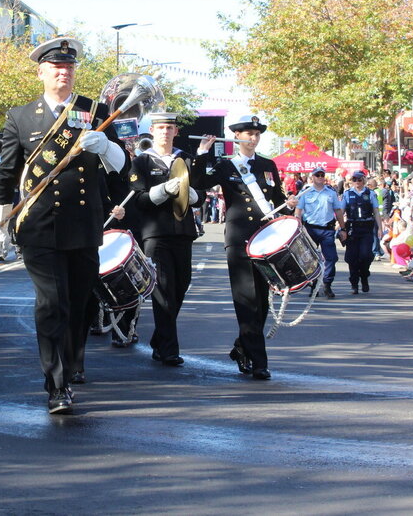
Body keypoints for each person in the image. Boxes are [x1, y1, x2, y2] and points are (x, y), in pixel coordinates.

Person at [0, 37, 126, 414]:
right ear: (41, 72)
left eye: (68, 67)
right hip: (39, 225)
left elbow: (121, 169)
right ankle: (56, 384)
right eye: (55, 67)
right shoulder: (20, 117)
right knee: (51, 304)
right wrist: (0, 221)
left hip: (83, 224)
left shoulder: (94, 112)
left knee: (79, 303)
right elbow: (7, 173)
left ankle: (73, 361)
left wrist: (106, 147)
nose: (63, 72)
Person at [192, 116, 289, 380]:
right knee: (246, 299)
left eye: (257, 134)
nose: (254, 138)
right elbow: (198, 182)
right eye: (248, 133)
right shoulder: (225, 166)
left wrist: (289, 208)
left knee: (262, 302)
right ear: (237, 136)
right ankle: (259, 361)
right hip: (240, 239)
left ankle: (242, 346)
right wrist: (202, 152)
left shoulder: (268, 165)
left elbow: (278, 199)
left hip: (266, 239)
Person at [128, 112, 201, 366]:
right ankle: (169, 348)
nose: (165, 132)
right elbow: (138, 200)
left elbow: (200, 192)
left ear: (175, 132)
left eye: (169, 128)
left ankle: (160, 339)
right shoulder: (141, 162)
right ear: (152, 130)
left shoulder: (185, 159)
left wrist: (192, 194)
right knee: (163, 290)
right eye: (160, 128)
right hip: (155, 233)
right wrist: (162, 191)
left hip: (183, 231)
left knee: (181, 285)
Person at [294, 167, 346, 299]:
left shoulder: (331, 193)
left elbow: (338, 211)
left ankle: (327, 284)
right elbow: (298, 212)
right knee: (311, 260)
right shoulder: (305, 193)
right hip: (310, 229)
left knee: (331, 258)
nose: (320, 177)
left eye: (322, 175)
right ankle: (314, 286)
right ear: (312, 177)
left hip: (327, 229)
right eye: (317, 175)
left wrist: (343, 228)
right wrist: (297, 228)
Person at [343, 170, 382, 295]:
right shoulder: (347, 194)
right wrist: (340, 227)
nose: (357, 182)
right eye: (354, 179)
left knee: (366, 255)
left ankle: (364, 276)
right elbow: (341, 211)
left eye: (359, 179)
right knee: (352, 257)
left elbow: (376, 211)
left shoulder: (370, 193)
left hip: (366, 227)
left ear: (364, 180)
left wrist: (380, 228)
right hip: (352, 227)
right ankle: (354, 283)